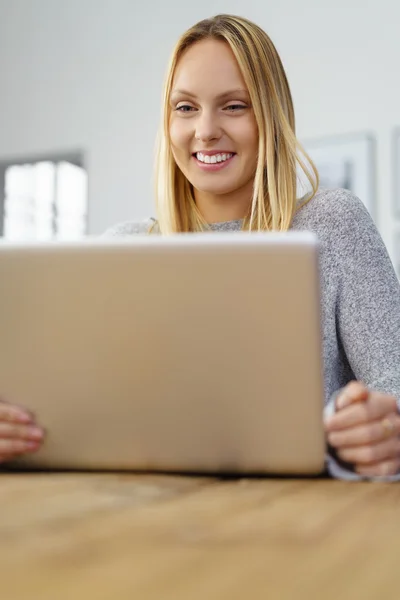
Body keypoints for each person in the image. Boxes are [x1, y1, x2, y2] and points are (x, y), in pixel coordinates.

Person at [1, 14, 400, 480]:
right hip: (149, 523)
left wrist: (383, 429)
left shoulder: (332, 223)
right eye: (185, 108)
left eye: (233, 106)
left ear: (270, 115)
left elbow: (393, 389)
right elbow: (76, 417)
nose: (205, 130)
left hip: (300, 525)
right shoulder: (124, 249)